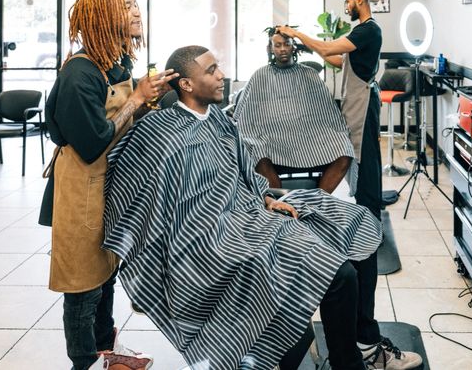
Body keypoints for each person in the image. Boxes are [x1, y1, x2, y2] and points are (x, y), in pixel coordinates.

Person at [102, 45, 383, 370]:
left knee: (350, 227)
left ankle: (356, 348)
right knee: (337, 275)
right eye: (210, 71)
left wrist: (264, 197)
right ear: (187, 85)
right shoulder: (162, 133)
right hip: (209, 242)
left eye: (217, 67)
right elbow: (129, 180)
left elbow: (243, 172)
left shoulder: (220, 121)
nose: (221, 75)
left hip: (248, 215)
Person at [278, 0, 422, 369]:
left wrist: (296, 34)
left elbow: (329, 50)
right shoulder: (358, 35)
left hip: (362, 113)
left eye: (347, 1)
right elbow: (337, 62)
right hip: (352, 113)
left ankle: (366, 220)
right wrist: (308, 46)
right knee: (352, 172)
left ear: (359, 1)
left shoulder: (368, 30)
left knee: (365, 183)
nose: (345, 6)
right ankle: (355, 215)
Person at [38, 0, 178, 370]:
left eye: (136, 5)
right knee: (82, 282)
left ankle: (105, 352)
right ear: (101, 17)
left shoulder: (115, 65)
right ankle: (83, 362)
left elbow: (124, 124)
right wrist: (134, 99)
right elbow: (92, 142)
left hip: (110, 185)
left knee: (106, 273)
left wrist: (150, 100)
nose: (136, 12)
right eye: (126, 6)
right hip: (81, 186)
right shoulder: (80, 73)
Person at [233, 30, 354, 193]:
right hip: (272, 137)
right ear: (270, 49)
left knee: (344, 149)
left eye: (287, 44)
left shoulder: (309, 74)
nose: (283, 49)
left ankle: (319, 200)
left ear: (294, 48)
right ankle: (281, 204)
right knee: (256, 149)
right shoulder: (259, 76)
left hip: (309, 136)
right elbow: (245, 116)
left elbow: (327, 112)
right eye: (278, 45)